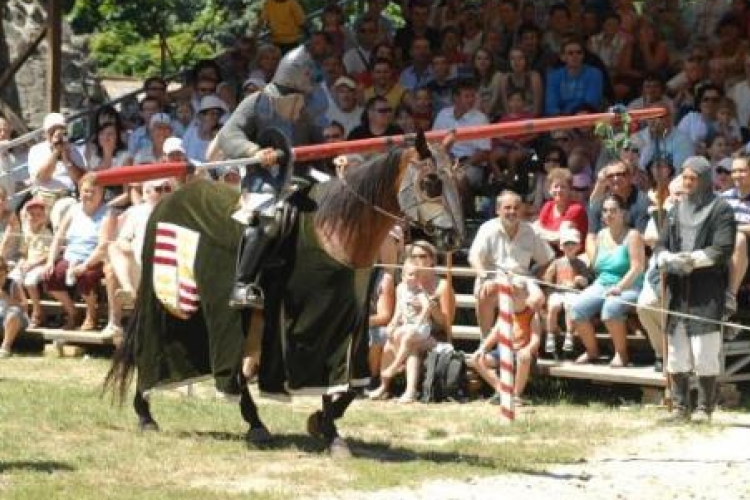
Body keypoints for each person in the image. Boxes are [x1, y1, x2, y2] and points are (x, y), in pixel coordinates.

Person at [214, 45, 322, 309]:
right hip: (264, 178)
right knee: (268, 219)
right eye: (307, 73)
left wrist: (336, 158)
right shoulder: (256, 102)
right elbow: (229, 135)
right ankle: (242, 284)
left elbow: (317, 145)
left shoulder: (301, 108)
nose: (310, 78)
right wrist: (254, 150)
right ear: (294, 72)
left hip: (300, 175)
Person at [656, 156, 736, 423]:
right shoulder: (676, 210)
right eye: (685, 178)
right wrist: (665, 258)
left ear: (704, 180)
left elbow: (723, 248)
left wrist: (692, 260)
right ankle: (680, 406)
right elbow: (661, 244)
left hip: (706, 288)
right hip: (678, 289)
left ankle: (704, 408)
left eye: (693, 178)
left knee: (705, 349)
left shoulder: (720, 209)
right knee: (677, 350)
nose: (688, 183)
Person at [571, 193, 646, 367]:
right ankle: (592, 351)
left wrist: (619, 287)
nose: (608, 214)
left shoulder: (633, 236)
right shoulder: (601, 235)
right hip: (602, 283)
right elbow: (596, 266)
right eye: (605, 211)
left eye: (613, 210)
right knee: (576, 308)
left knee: (611, 307)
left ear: (623, 213)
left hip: (630, 285)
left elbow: (637, 268)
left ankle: (622, 354)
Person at [469, 190, 554, 337]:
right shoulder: (487, 229)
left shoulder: (530, 231)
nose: (512, 211)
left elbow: (548, 258)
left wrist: (537, 278)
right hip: (492, 277)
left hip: (520, 279)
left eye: (516, 207)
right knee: (484, 293)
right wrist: (483, 276)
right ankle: (486, 339)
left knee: (537, 298)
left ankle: (524, 343)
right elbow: (474, 257)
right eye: (507, 208)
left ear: (521, 210)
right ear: (498, 210)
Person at [43, 174, 108, 331]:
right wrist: (50, 260)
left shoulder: (108, 213)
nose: (89, 195)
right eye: (86, 191)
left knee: (84, 277)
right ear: (80, 191)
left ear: (102, 194)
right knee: (50, 276)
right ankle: (73, 312)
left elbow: (103, 246)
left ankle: (92, 313)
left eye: (94, 191)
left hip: (94, 259)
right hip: (71, 256)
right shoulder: (73, 210)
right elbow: (58, 237)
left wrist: (85, 265)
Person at [467, 275, 541, 406]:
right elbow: (495, 334)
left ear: (526, 295)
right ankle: (502, 390)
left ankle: (516, 395)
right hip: (503, 351)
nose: (514, 295)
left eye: (518, 293)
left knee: (523, 357)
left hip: (523, 352)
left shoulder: (532, 314)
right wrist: (482, 348)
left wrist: (528, 349)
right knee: (476, 359)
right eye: (511, 292)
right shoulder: (506, 312)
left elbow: (536, 338)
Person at [543, 227, 591, 356]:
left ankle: (569, 334)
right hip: (558, 292)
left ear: (578, 246)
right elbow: (547, 278)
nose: (570, 246)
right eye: (566, 244)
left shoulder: (581, 263)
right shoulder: (557, 262)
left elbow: (586, 281)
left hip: (573, 292)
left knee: (570, 306)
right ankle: (550, 335)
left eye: (573, 244)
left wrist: (581, 280)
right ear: (561, 246)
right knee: (553, 306)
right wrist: (550, 282)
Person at [9, 197, 52, 328]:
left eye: (38, 215)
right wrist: (22, 262)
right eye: (32, 215)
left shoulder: (47, 232)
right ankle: (21, 308)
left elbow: (48, 254)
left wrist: (32, 264)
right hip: (28, 263)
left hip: (41, 263)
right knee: (13, 278)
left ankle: (37, 311)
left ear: (44, 216)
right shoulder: (27, 231)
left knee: (29, 281)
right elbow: (24, 252)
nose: (34, 217)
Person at [0, 256, 28, 357]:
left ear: (6, 272)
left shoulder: (13, 284)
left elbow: (24, 306)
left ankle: (5, 347)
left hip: (14, 320)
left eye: (1, 275)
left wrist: (6, 297)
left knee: (14, 311)